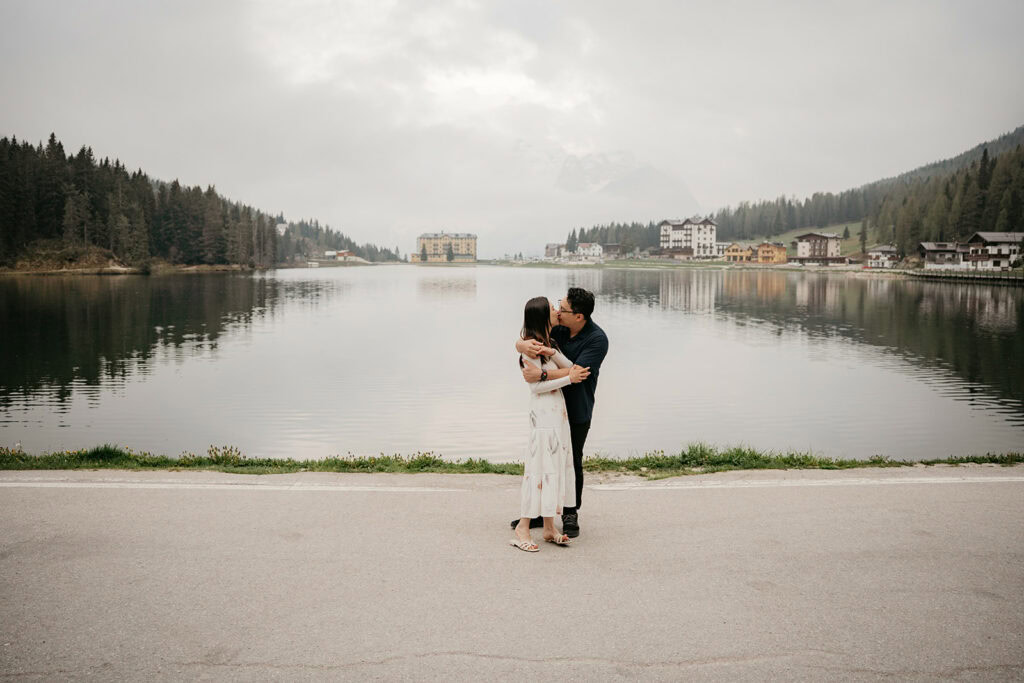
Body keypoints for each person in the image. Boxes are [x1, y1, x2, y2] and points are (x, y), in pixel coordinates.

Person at [512, 287, 608, 538]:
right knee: (544, 460)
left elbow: (578, 373)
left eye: (563, 309)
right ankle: (540, 513)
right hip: (548, 408)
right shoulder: (558, 328)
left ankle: (569, 512)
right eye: (558, 306)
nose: (558, 311)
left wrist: (542, 374)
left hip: (577, 407)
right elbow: (532, 332)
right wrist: (520, 344)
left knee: (571, 460)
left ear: (579, 316)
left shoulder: (597, 339)